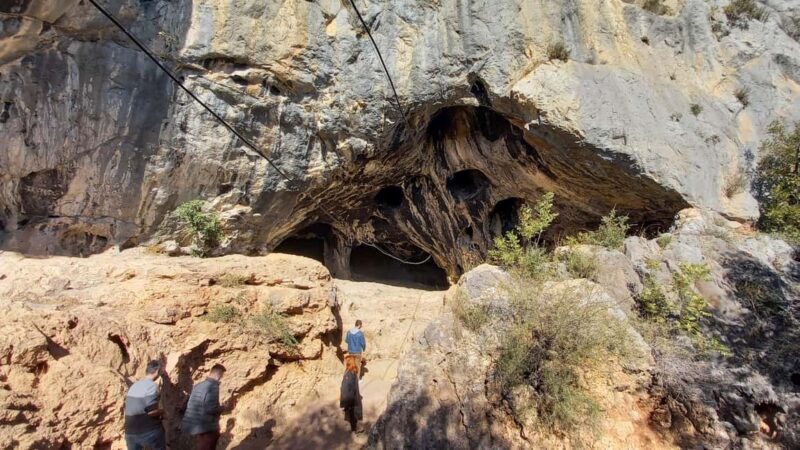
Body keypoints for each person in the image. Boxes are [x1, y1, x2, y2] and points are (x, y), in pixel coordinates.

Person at [182, 364, 226, 450]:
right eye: (222, 375)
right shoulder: (213, 386)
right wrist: (223, 408)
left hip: (192, 423)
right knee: (209, 443)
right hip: (205, 425)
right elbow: (210, 408)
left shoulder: (199, 385)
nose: (221, 378)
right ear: (219, 374)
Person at [124, 360, 166, 450]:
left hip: (130, 432)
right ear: (157, 371)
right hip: (147, 431)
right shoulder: (151, 386)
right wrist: (163, 412)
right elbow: (151, 412)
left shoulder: (134, 386)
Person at [339, 355, 363, 433]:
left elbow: (346, 387)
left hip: (349, 398)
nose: (344, 362)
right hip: (352, 397)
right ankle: (355, 429)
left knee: (351, 415)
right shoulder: (352, 371)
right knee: (352, 414)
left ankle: (354, 431)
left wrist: (345, 401)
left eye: (346, 361)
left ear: (349, 362)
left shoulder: (349, 374)